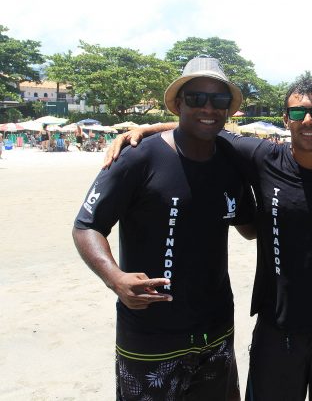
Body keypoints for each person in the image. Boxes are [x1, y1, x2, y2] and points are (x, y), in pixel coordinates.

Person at [105, 75, 312, 400]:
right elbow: (205, 126)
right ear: (285, 118)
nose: (308, 121)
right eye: (298, 112)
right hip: (277, 325)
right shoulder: (263, 158)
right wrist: (150, 129)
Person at [73, 56, 255, 400]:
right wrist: (115, 278)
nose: (208, 107)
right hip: (150, 333)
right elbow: (86, 225)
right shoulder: (138, 157)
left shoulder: (232, 161)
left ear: (229, 108)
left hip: (214, 329)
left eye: (219, 100)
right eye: (196, 98)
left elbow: (248, 227)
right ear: (179, 103)